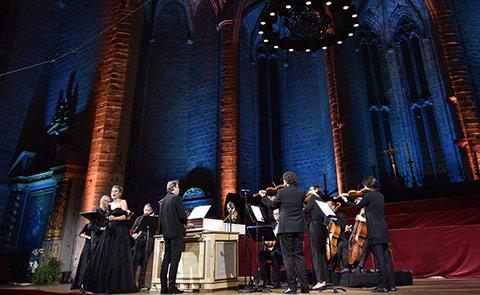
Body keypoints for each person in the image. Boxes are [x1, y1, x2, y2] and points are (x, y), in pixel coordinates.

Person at [339, 176, 396, 293]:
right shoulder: (380, 195)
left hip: (374, 229)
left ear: (367, 186)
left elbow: (356, 207)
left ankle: (383, 285)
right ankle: (391, 284)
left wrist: (345, 199)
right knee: (386, 258)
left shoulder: (368, 195)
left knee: (380, 259)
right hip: (383, 228)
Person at [260, 171, 309, 294]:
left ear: (285, 181)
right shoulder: (302, 192)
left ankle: (292, 288)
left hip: (286, 228)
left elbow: (272, 205)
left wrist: (263, 197)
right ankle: (305, 286)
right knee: (299, 256)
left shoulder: (281, 192)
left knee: (288, 257)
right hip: (298, 227)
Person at [83, 185, 137, 293]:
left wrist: (114, 218)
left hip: (119, 231)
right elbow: (105, 217)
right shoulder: (109, 204)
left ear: (120, 193)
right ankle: (103, 283)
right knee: (105, 255)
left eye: (116, 191)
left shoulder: (123, 202)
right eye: (112, 191)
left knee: (118, 255)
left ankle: (117, 285)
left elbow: (125, 217)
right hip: (109, 230)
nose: (113, 193)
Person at [71, 195, 110, 289]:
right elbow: (90, 226)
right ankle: (84, 283)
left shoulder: (107, 213)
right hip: (95, 239)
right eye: (107, 202)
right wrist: (101, 228)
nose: (108, 204)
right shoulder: (97, 211)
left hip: (103, 239)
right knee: (89, 261)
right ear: (103, 202)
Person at [159, 180, 187, 294]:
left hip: (167, 233)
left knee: (166, 260)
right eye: (178, 187)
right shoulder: (176, 198)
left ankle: (163, 287)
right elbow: (182, 216)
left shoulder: (163, 201)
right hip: (176, 233)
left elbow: (160, 219)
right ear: (174, 188)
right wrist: (186, 220)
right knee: (175, 260)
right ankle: (171, 287)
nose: (179, 189)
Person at [303, 185, 328, 291]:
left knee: (316, 254)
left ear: (316, 190)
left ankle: (320, 281)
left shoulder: (313, 198)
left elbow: (306, 210)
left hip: (315, 226)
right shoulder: (321, 200)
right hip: (321, 227)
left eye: (310, 189)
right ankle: (324, 279)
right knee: (321, 254)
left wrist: (300, 206)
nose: (308, 191)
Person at [131, 203, 155, 290]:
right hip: (139, 241)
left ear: (151, 211)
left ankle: (142, 283)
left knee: (145, 262)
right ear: (143, 210)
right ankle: (132, 283)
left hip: (149, 240)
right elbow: (132, 230)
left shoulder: (153, 219)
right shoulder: (139, 218)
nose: (147, 212)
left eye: (149, 210)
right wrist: (133, 235)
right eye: (145, 210)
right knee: (135, 262)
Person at [259, 208, 283, 289]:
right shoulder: (272, 225)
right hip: (271, 248)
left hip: (281, 250)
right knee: (262, 254)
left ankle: (276, 282)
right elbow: (268, 236)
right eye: (274, 214)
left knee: (274, 254)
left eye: (277, 213)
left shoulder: (284, 224)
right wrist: (266, 242)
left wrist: (275, 242)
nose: (276, 216)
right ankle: (266, 281)